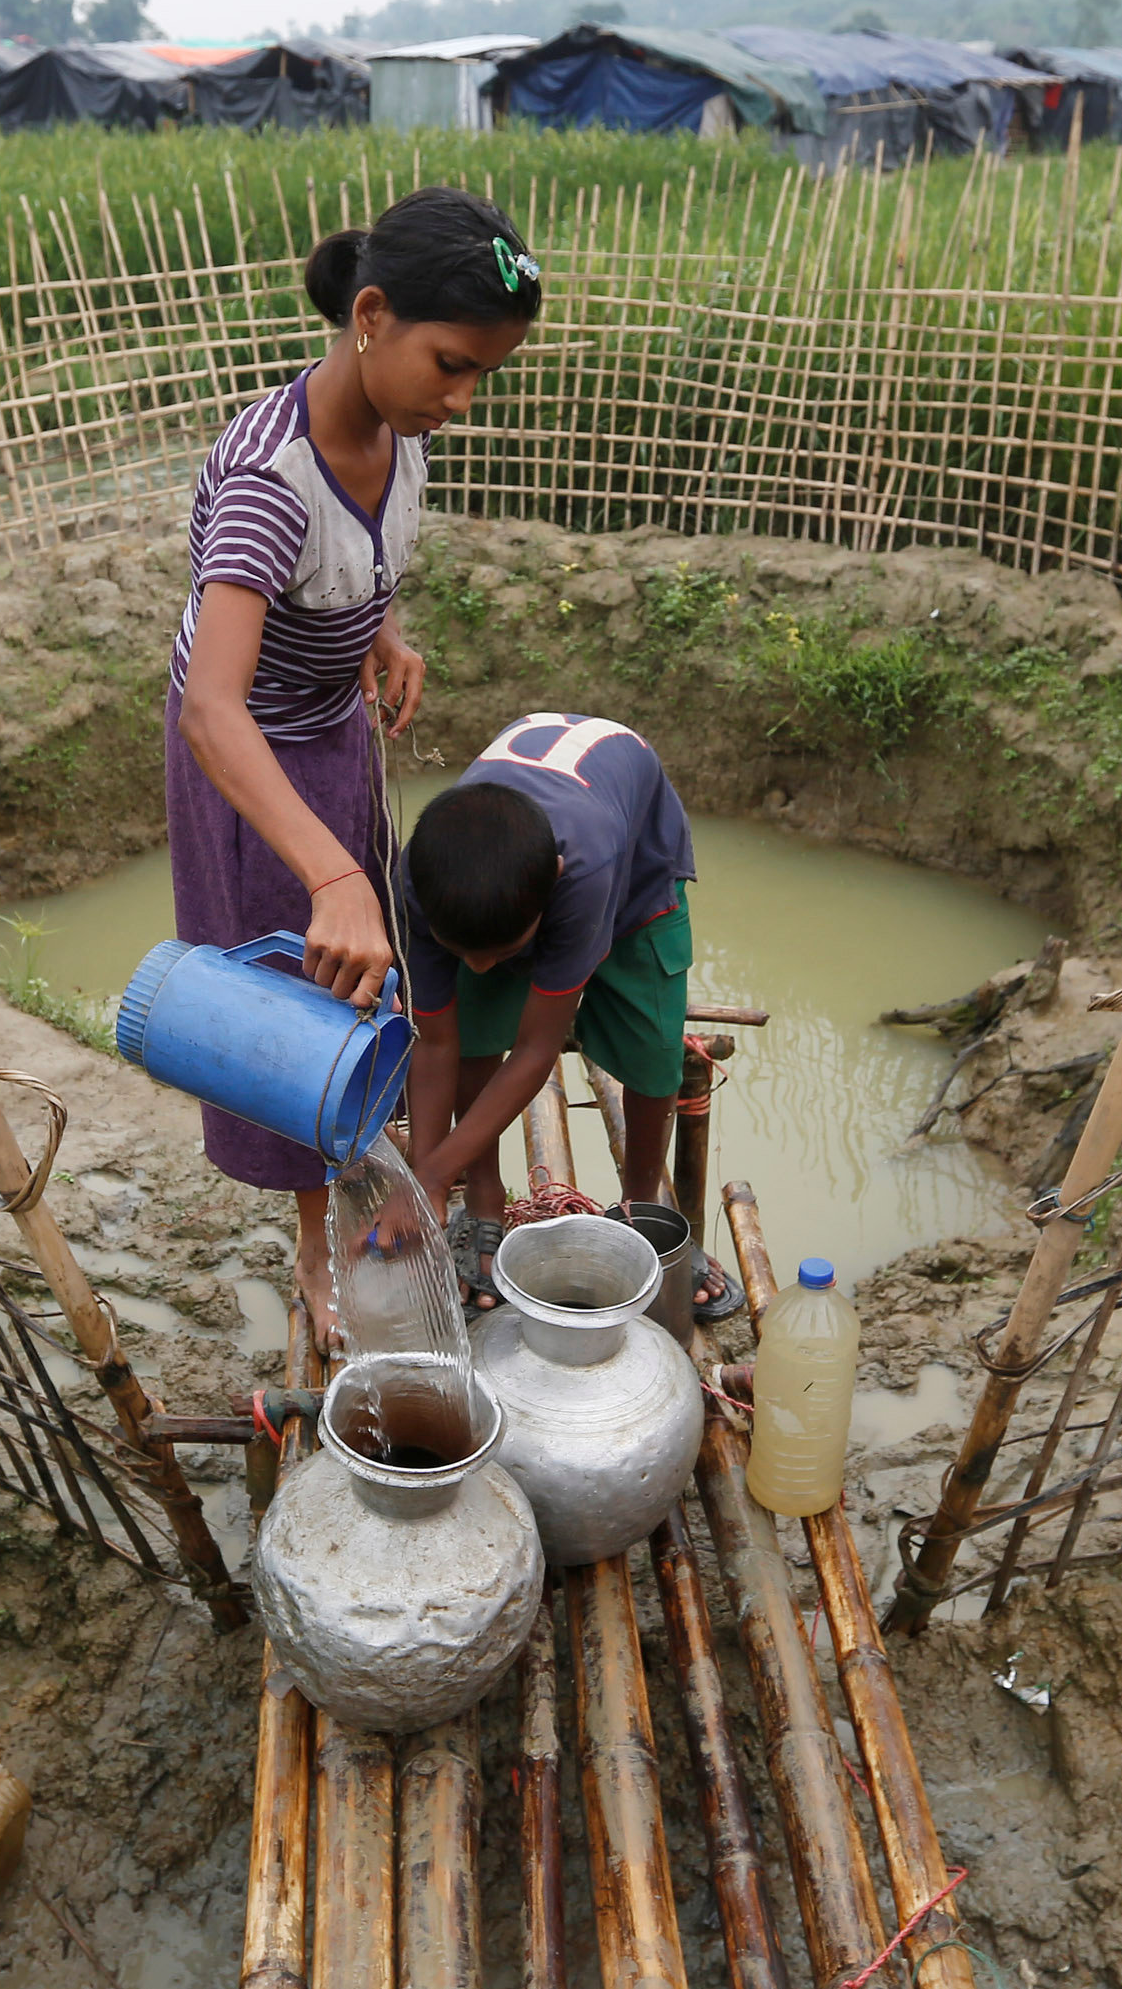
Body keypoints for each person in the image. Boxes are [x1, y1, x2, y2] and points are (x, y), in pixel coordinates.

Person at [166, 185, 542, 1337]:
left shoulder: (393, 427)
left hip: (331, 733)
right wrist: (328, 872)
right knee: (293, 1016)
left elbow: (348, 562)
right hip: (253, 773)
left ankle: (358, 1187)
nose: (462, 398)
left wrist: (378, 633)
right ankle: (314, 1261)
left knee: (359, 992)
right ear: (369, 316)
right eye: (450, 363)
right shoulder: (267, 483)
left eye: (483, 373)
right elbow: (211, 710)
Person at [391, 713, 744, 1319]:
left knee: (652, 1050)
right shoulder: (419, 881)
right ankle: (481, 1203)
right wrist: (426, 1180)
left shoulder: (583, 870)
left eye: (500, 954)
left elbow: (536, 1050)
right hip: (511, 868)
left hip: (635, 871)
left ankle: (639, 1208)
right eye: (459, 952)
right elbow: (436, 1042)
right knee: (473, 1026)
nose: (478, 969)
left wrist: (428, 1172)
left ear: (550, 890)